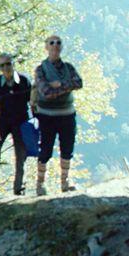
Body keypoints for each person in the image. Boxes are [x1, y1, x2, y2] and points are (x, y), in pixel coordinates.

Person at [34, 35, 82, 196]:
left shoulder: (68, 67)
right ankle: (40, 184)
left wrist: (58, 85)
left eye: (58, 42)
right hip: (47, 116)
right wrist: (67, 86)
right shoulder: (40, 69)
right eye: (51, 43)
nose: (55, 45)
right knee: (45, 149)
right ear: (46, 47)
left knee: (67, 148)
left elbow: (79, 83)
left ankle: (65, 182)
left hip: (67, 114)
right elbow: (45, 92)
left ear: (61, 47)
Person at [0, 53, 31, 198]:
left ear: (13, 64)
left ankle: (19, 189)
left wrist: (35, 124)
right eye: (2, 65)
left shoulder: (24, 81)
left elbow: (33, 103)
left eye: (8, 64)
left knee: (21, 155)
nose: (5, 68)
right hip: (2, 123)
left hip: (21, 122)